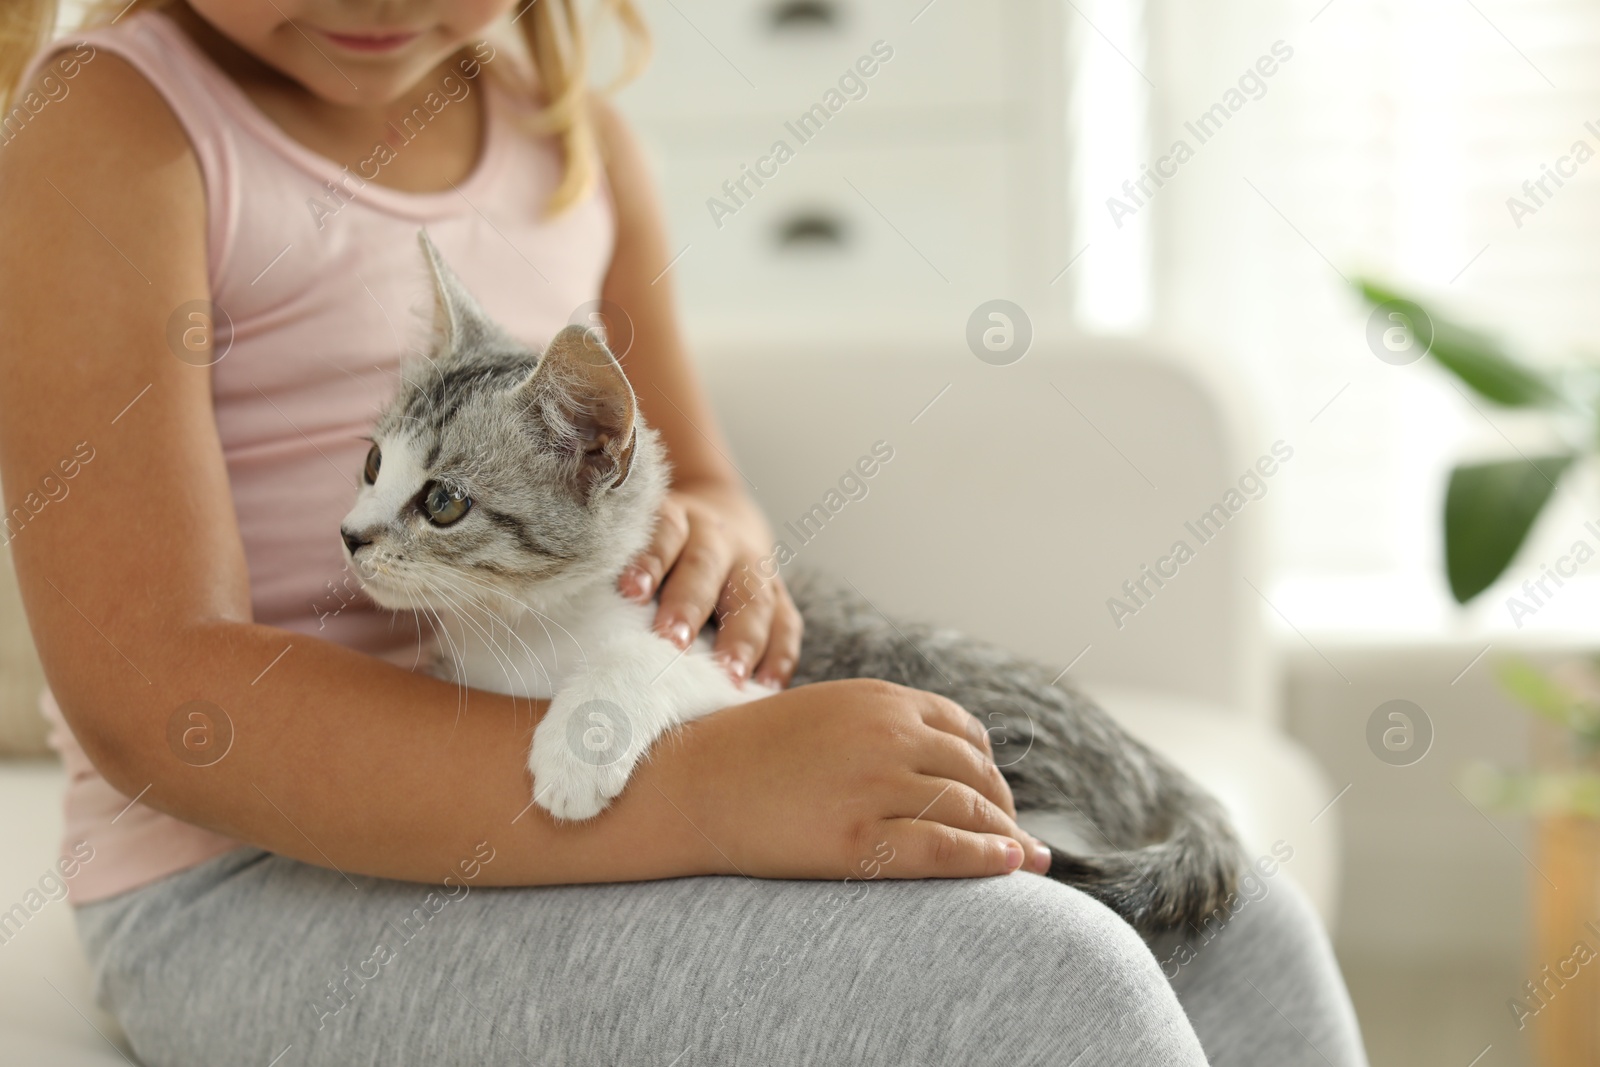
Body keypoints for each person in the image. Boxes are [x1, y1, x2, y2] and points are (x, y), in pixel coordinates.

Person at [0, 1, 1368, 1063]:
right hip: (247, 884)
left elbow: (702, 485)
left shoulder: (568, 139)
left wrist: (712, 539)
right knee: (1042, 976)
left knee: (1244, 925)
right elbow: (152, 695)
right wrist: (700, 795)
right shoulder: (112, 128)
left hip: (578, 748)